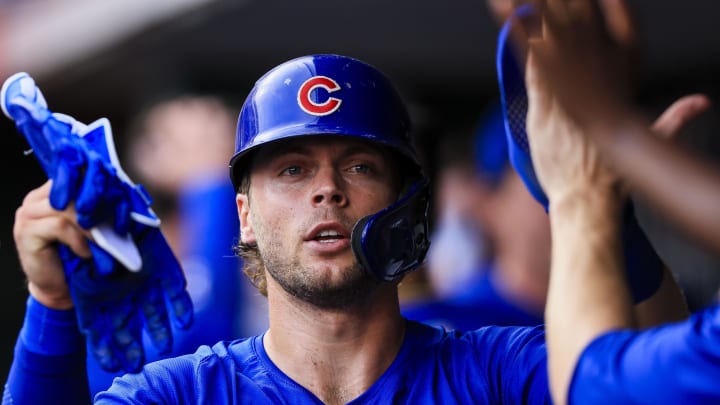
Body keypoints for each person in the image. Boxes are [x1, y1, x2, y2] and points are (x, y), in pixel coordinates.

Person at [3, 53, 688, 404]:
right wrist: (52, 305)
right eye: (292, 170)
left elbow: (657, 384)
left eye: (359, 165)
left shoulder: (496, 370)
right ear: (244, 211)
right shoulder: (183, 392)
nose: (327, 188)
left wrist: (610, 213)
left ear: (407, 203)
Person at [505, 1, 720, 403]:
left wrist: (584, 186)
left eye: (362, 168)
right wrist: (611, 212)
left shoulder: (494, 359)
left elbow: (593, 388)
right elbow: (661, 356)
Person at [84, 95, 268, 396]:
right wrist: (206, 183)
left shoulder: (270, 251)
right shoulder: (113, 264)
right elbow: (196, 339)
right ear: (147, 159)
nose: (215, 151)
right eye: (192, 142)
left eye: (219, 138)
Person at [403, 103, 549, 330]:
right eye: (545, 177)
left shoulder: (617, 319)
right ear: (490, 202)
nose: (576, 194)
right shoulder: (440, 331)